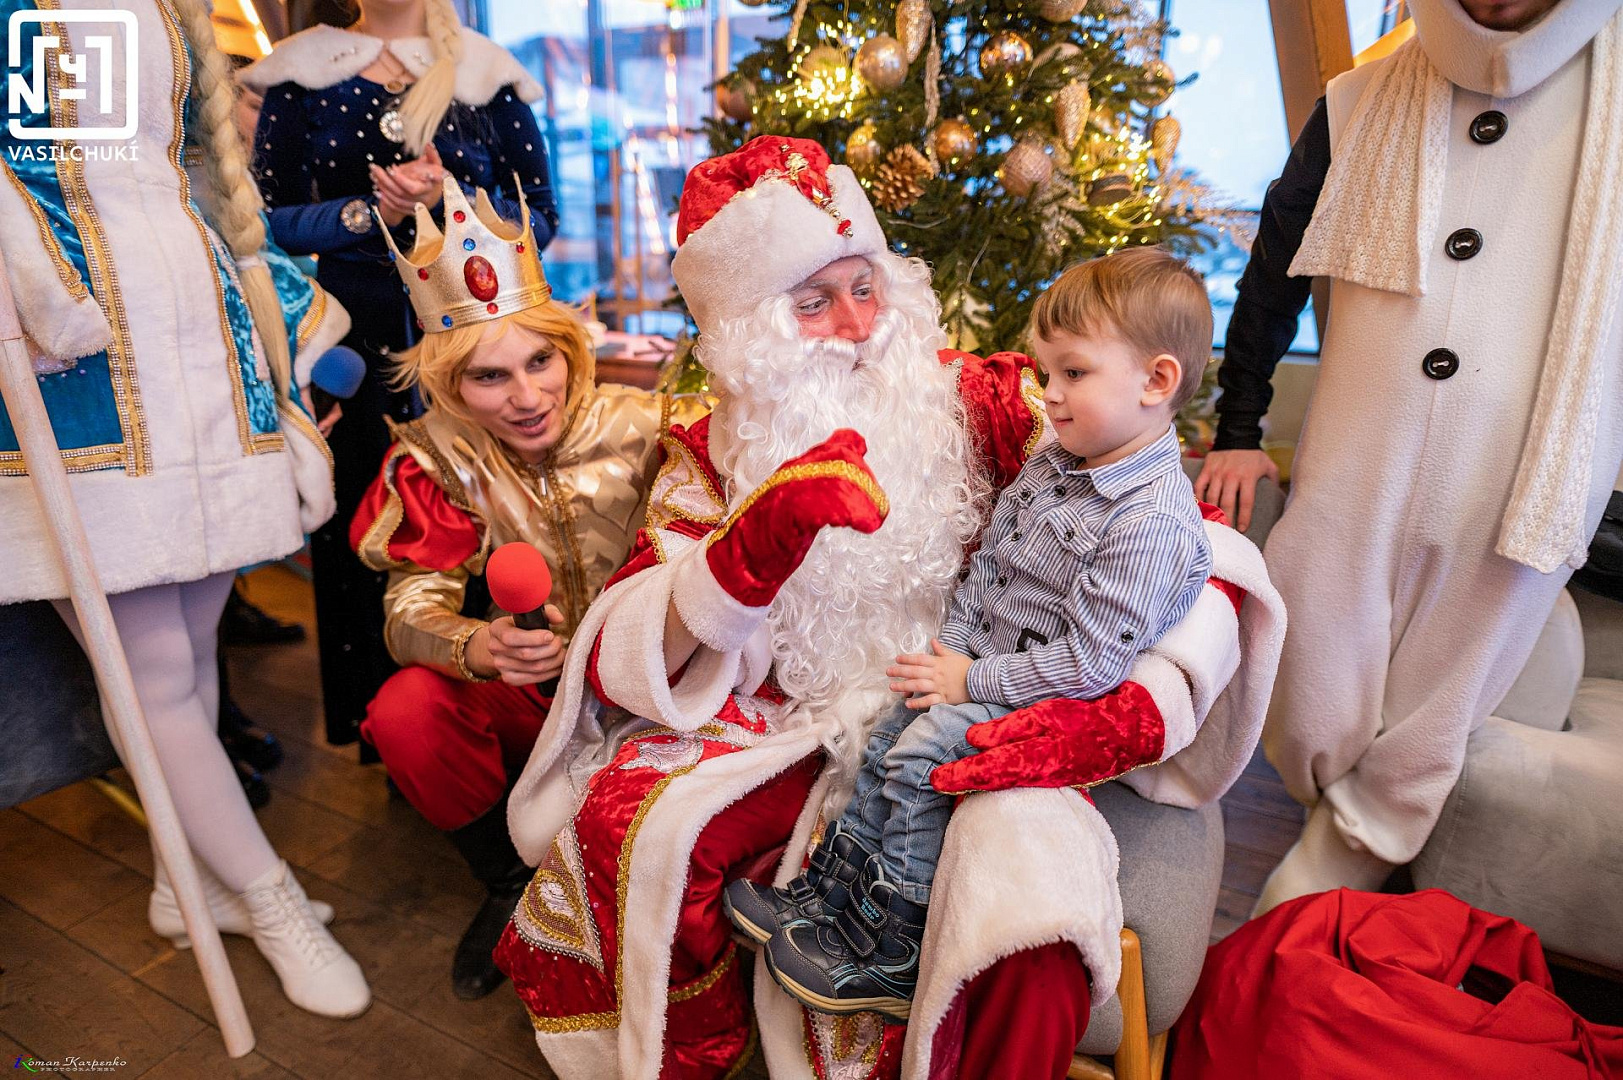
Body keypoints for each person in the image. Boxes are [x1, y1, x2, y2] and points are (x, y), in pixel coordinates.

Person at [493, 136, 1283, 1079]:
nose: (859, 324)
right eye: (814, 303)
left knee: (1024, 937)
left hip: (993, 696)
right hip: (793, 712)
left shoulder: (990, 399)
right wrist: (750, 552)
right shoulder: (712, 450)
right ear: (750, 327)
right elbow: (625, 645)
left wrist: (1133, 710)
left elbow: (1200, 548)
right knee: (633, 827)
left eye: (866, 287)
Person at [1191, 0, 1623, 911]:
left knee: (1452, 678)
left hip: (1521, 476)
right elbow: (1273, 269)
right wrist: (1239, 429)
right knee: (1316, 645)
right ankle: (1330, 847)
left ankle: (1356, 848)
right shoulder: (1359, 98)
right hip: (1357, 457)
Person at [0, 0, 368, 1017]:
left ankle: (185, 881)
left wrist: (279, 337)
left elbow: (198, 183)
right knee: (152, 672)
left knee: (193, 656)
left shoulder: (168, 9)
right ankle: (271, 899)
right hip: (75, 366)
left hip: (201, 352)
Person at [733, 248, 1216, 1018]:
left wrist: (970, 682)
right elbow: (989, 565)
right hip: (985, 666)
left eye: (1073, 373)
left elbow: (1090, 665)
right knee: (889, 733)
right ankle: (834, 894)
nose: (1048, 394)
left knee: (923, 755)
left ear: (1155, 382)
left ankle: (892, 944)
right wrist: (952, 651)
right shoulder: (1057, 462)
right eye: (1046, 371)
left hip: (1046, 694)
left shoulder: (1149, 521)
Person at [349, 176, 705, 999]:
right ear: (450, 385)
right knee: (404, 710)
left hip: (654, 692)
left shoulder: (651, 424)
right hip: (536, 702)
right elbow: (407, 611)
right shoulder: (438, 458)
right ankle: (508, 883)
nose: (526, 396)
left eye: (540, 360)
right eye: (489, 376)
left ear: (568, 348)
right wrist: (476, 644)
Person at [241, 0, 559, 749]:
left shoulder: (485, 73)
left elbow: (542, 214)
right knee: (366, 516)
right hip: (357, 345)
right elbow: (267, 220)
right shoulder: (301, 73)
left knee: (487, 509)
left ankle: (505, 717)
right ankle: (391, 728)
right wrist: (365, 213)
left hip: (478, 342)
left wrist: (454, 205)